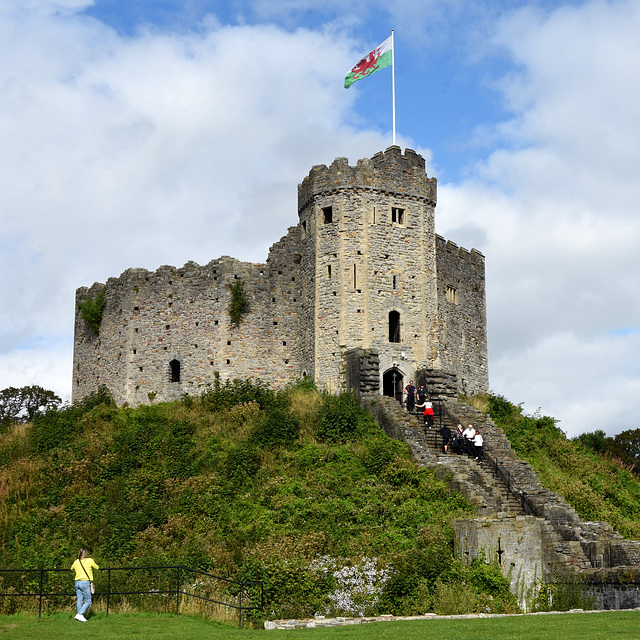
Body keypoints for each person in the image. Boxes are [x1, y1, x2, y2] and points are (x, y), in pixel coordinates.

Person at [71, 548, 99, 622]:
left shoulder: (76, 561)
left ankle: (80, 615)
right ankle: (80, 614)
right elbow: (97, 568)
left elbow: (72, 568)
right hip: (85, 582)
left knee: (79, 600)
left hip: (77, 582)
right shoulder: (89, 560)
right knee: (88, 601)